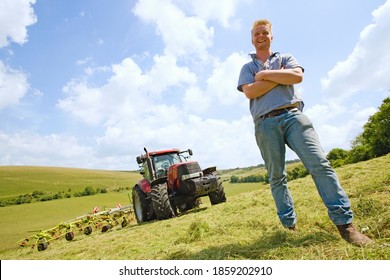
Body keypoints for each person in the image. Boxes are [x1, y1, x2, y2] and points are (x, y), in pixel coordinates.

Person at [237, 19, 373, 246]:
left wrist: (266, 75)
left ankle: (346, 226)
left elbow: (297, 77)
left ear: (272, 36)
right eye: (256, 33)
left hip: (293, 116)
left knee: (320, 164)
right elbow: (251, 92)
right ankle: (289, 226)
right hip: (264, 123)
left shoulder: (286, 58)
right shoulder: (247, 68)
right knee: (277, 177)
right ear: (252, 39)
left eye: (265, 32)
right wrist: (278, 76)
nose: (261, 36)